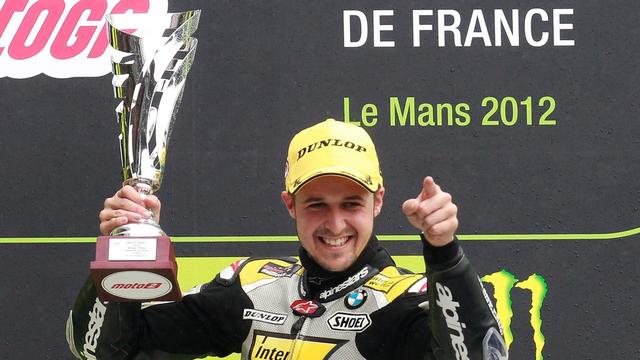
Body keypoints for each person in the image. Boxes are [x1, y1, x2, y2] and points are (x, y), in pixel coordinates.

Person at [67, 119, 507, 360]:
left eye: (350, 203)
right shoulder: (254, 285)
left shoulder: (409, 301)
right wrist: (124, 257)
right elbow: (103, 353)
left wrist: (444, 252)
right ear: (290, 205)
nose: (335, 224)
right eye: (316, 204)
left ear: (378, 202)